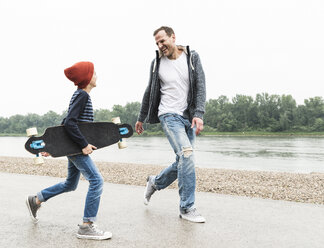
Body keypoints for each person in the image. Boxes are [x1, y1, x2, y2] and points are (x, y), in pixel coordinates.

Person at [25, 61, 112, 240]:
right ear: (87, 78)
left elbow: (67, 122)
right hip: (76, 149)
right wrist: (83, 145)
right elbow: (70, 123)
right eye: (94, 73)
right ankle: (87, 226)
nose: (97, 75)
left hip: (71, 147)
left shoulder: (80, 95)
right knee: (97, 181)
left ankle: (36, 200)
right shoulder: (82, 96)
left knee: (70, 184)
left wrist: (54, 146)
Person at [135, 26, 206, 223]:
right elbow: (150, 91)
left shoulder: (192, 58)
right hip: (168, 115)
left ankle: (155, 182)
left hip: (188, 116)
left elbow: (201, 86)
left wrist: (199, 113)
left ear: (173, 37)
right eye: (157, 43)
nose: (160, 45)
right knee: (187, 155)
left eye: (162, 41)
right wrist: (142, 117)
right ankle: (187, 207)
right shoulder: (156, 63)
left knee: (183, 160)